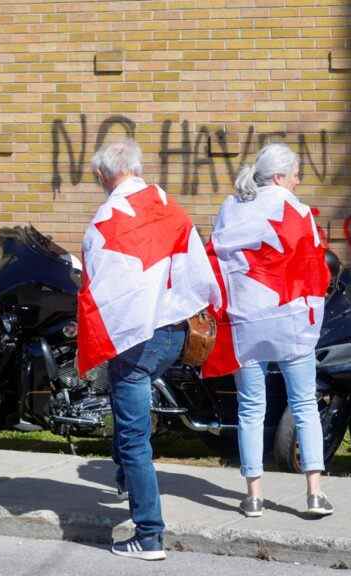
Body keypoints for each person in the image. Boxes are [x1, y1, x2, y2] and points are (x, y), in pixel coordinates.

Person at [77, 139, 220, 559]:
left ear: (104, 175)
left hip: (137, 339)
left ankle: (149, 534)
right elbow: (195, 267)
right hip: (175, 333)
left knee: (134, 435)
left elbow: (101, 289)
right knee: (129, 417)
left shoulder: (106, 221)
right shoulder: (171, 207)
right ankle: (124, 477)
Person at [203, 143, 334, 518]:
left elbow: (217, 259)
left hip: (244, 323)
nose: (298, 181)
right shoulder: (297, 209)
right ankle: (313, 493)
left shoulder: (232, 207)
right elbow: (314, 266)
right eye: (295, 174)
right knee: (305, 404)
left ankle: (254, 495)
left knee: (250, 409)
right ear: (279, 176)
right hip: (291, 320)